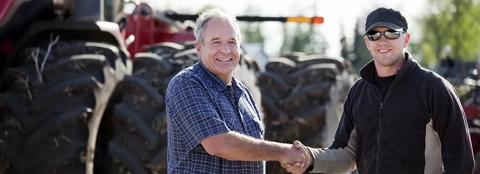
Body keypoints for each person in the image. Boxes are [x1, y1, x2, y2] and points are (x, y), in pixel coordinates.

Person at [283, 7, 474, 174]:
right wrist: (310, 157)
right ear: (367, 42)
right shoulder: (358, 91)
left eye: (391, 33)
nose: (382, 40)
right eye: (374, 35)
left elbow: (461, 160)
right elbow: (346, 154)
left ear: (406, 39)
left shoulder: (434, 88)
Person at [165, 9, 310, 174]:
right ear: (199, 48)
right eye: (216, 42)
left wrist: (292, 157)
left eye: (232, 42)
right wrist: (283, 152)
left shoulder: (244, 93)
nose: (226, 50)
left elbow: (252, 149)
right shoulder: (187, 84)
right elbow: (219, 144)